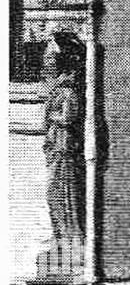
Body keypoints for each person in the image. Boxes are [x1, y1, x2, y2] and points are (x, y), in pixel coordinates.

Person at [42, 35, 84, 242]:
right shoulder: (58, 88)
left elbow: (69, 116)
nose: (47, 65)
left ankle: (69, 237)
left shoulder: (67, 90)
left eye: (51, 61)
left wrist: (52, 116)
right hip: (55, 146)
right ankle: (61, 235)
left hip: (64, 147)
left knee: (60, 192)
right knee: (55, 192)